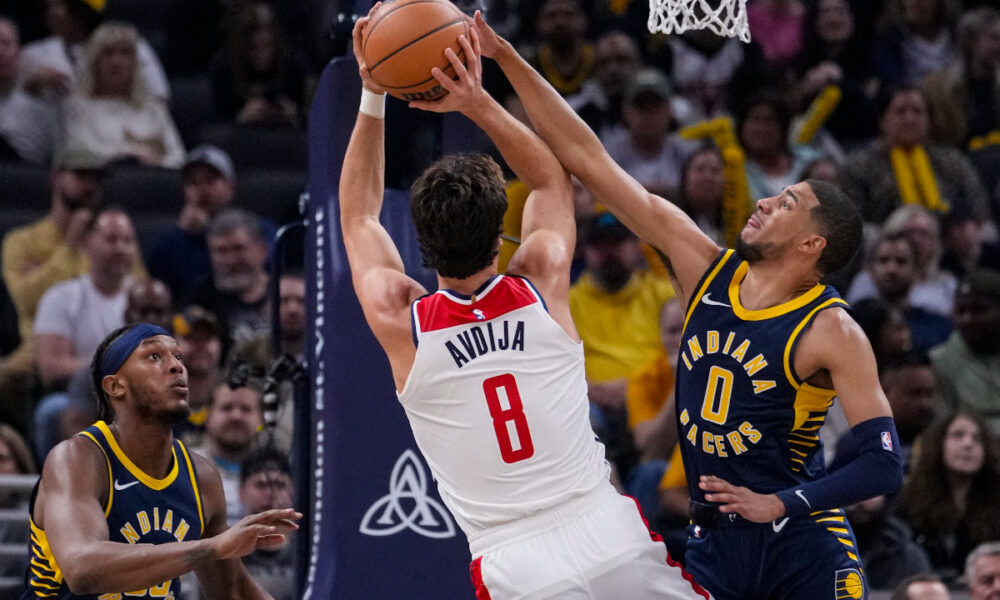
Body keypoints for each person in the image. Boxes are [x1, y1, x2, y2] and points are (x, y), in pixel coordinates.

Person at [472, 11, 904, 599]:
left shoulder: (831, 330)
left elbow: (883, 463)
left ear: (812, 245)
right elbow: (589, 157)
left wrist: (782, 501)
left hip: (802, 544)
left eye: (786, 204)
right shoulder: (702, 268)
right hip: (715, 545)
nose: (764, 202)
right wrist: (502, 60)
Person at [340, 15, 707, 599]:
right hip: (605, 530)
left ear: (418, 241)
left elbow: (359, 216)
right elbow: (549, 180)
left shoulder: (402, 319)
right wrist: (476, 100)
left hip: (515, 561)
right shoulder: (540, 279)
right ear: (501, 233)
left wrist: (372, 90)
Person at [21, 322, 299, 599]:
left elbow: (233, 591)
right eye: (154, 356)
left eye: (178, 356)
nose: (177, 366)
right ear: (116, 386)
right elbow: (82, 568)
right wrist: (211, 547)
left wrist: (216, 549)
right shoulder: (78, 458)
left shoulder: (200, 475)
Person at [61, 21, 185, 168]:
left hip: (153, 178)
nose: (116, 62)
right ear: (94, 62)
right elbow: (81, 156)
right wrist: (134, 157)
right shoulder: (76, 108)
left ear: (135, 63)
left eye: (125, 53)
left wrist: (155, 163)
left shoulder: (154, 109)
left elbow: (179, 158)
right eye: (108, 53)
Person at [900, 411, 1000, 583]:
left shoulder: (996, 503)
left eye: (977, 439)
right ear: (938, 444)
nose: (968, 444)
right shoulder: (908, 500)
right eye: (958, 435)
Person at [148, 145, 238, 307]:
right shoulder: (169, 242)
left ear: (231, 187)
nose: (202, 190)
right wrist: (183, 234)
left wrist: (208, 232)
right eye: (193, 182)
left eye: (210, 180)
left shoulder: (255, 231)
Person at [930, 269, 1000, 434]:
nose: (967, 319)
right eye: (961, 311)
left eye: (978, 310)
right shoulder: (939, 361)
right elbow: (944, 429)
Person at [192, 381, 264, 527]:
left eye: (246, 409)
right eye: (227, 408)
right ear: (207, 415)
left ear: (261, 419)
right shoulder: (184, 465)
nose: (236, 416)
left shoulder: (277, 474)